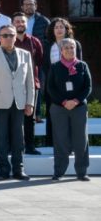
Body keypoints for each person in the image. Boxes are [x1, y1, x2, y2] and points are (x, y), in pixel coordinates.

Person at [0, 25, 36, 181]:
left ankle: (19, 169)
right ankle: (3, 169)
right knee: (0, 137)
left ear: (15, 36)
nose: (8, 38)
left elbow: (30, 81)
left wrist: (30, 102)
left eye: (11, 35)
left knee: (19, 138)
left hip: (19, 101)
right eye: (4, 35)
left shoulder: (25, 54)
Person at [46, 38, 92, 181]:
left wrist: (76, 101)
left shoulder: (82, 66)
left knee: (81, 140)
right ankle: (59, 171)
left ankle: (82, 172)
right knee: (60, 140)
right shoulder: (55, 67)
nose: (69, 50)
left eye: (72, 47)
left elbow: (88, 87)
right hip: (59, 108)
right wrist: (64, 101)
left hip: (78, 108)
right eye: (66, 47)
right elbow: (50, 88)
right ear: (61, 50)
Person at [43, 17, 83, 147]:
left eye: (62, 27)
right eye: (56, 27)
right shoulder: (48, 45)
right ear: (52, 30)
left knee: (71, 114)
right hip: (53, 85)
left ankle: (71, 144)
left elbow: (79, 65)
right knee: (52, 113)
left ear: (67, 30)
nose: (59, 30)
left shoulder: (75, 44)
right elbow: (45, 66)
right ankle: (52, 143)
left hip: (71, 86)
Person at [13, 13, 43, 155]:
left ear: (26, 24)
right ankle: (15, 146)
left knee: (29, 117)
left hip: (31, 84)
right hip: (13, 85)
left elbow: (39, 60)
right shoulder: (7, 42)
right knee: (14, 117)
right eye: (17, 21)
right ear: (13, 24)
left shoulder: (34, 41)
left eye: (22, 21)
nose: (20, 24)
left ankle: (30, 147)